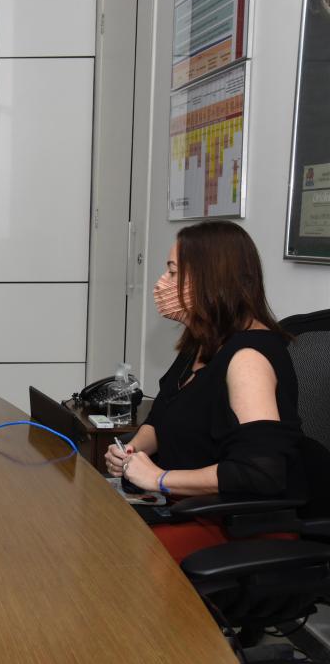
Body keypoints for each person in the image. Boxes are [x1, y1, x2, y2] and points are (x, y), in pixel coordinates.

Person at [103, 220, 304, 562]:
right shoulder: (201, 341)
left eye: (172, 272)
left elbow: (259, 472)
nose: (161, 284)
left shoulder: (248, 359)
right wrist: (133, 451)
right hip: (187, 506)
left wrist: (159, 478)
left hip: (236, 525)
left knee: (106, 553)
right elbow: (162, 418)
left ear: (211, 280)